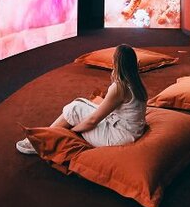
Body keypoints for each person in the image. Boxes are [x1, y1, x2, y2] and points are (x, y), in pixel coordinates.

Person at [16, 44, 148, 154]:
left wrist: (72, 132)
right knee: (79, 102)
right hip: (129, 132)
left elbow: (93, 121)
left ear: (116, 63)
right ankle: (48, 133)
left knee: (74, 109)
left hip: (117, 137)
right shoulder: (136, 83)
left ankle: (40, 141)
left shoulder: (120, 87)